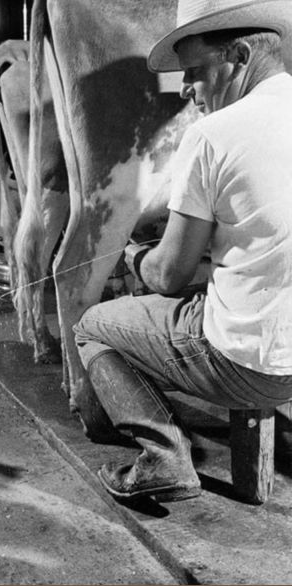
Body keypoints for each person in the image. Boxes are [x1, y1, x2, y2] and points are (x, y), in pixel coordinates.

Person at [74, 0, 292, 503]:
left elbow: (168, 276)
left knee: (93, 326)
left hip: (254, 367)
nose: (187, 90)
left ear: (238, 54)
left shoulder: (212, 134)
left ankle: (163, 456)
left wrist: (134, 257)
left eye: (195, 72)